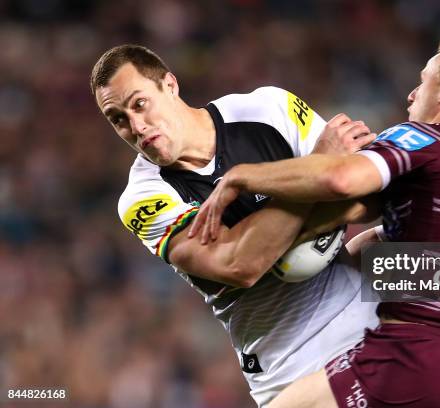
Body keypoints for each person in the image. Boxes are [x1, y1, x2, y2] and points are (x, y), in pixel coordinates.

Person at [195, 37, 440, 407]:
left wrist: (242, 177)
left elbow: (340, 180)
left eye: (423, 81)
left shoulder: (427, 138)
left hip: (420, 355)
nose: (412, 95)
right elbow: (400, 249)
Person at [90, 44, 380, 407]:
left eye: (139, 104)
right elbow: (240, 265)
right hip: (293, 363)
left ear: (170, 85)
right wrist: (315, 171)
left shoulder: (267, 109)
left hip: (370, 309)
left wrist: (279, 231)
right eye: (118, 119)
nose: (136, 126)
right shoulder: (142, 197)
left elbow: (369, 197)